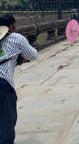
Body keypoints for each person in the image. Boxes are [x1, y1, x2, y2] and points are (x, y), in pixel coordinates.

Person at [0, 14, 38, 144]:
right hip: (2, 84)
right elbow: (33, 55)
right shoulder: (16, 37)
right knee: (7, 120)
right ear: (12, 26)